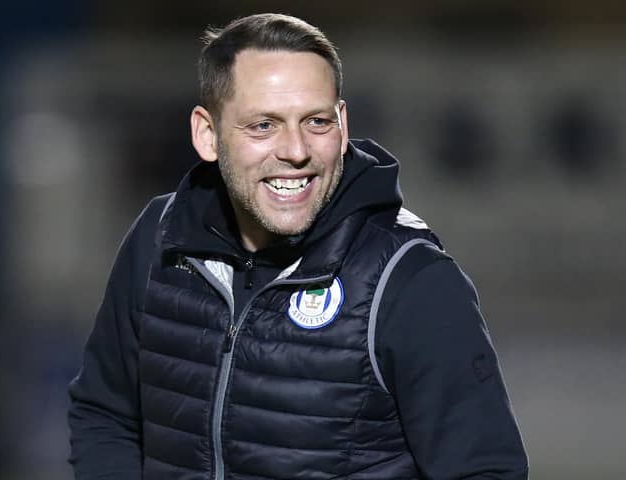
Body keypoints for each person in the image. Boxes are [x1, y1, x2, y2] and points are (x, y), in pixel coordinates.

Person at [68, 13, 528, 480]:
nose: (295, 150)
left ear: (343, 125)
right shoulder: (158, 240)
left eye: (316, 121)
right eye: (263, 125)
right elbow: (106, 415)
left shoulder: (411, 279)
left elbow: (485, 471)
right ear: (207, 135)